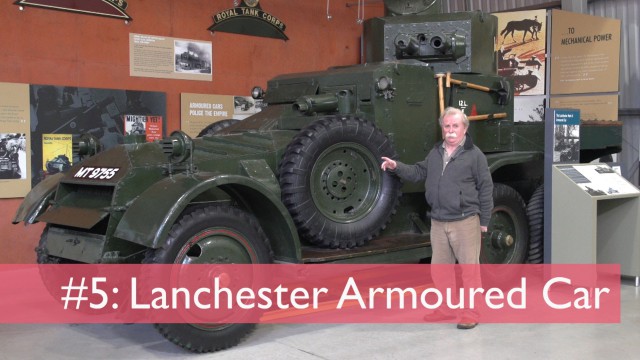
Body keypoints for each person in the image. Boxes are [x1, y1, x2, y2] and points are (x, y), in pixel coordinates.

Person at [380, 107, 493, 330]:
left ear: (465, 128)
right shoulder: (436, 153)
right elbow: (417, 172)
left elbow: (486, 188)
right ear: (442, 129)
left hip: (465, 220)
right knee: (440, 269)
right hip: (439, 221)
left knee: (469, 270)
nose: (451, 131)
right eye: (447, 126)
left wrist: (485, 221)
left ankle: (471, 311)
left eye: (455, 126)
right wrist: (396, 166)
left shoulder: (475, 155)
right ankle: (446, 308)